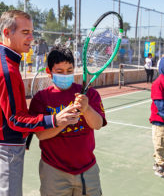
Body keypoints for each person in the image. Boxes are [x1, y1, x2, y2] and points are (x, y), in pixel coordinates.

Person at [0, 10, 80, 196]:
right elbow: (16, 119)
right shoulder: (7, 70)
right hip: (6, 149)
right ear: (7, 33)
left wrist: (26, 138)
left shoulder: (4, 60)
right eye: (25, 32)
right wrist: (54, 120)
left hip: (1, 144)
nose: (31, 37)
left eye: (31, 32)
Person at [29, 45, 107, 195]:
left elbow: (97, 124)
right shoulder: (41, 98)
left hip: (87, 169)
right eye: (60, 72)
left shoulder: (89, 94)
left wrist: (87, 109)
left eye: (69, 71)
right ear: (49, 72)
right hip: (54, 170)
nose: (65, 75)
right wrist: (61, 121)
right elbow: (41, 135)